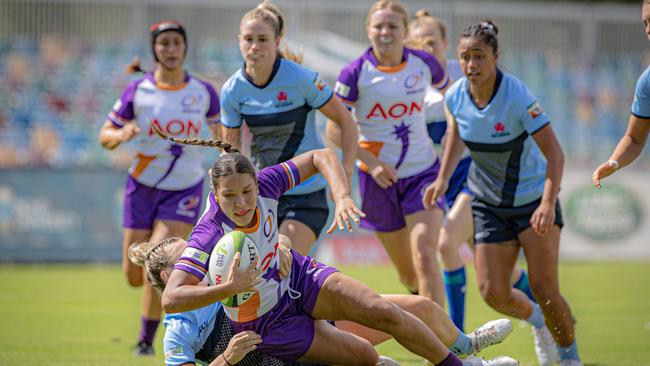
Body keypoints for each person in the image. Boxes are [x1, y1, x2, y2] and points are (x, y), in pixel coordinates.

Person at [153, 125, 517, 366]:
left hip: (299, 277)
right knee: (364, 358)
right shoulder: (208, 232)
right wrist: (230, 288)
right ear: (215, 195)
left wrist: (342, 195)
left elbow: (320, 156)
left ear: (256, 183)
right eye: (229, 196)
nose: (242, 203)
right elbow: (171, 298)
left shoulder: (267, 183)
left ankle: (465, 358)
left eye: (247, 191)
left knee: (386, 312)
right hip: (269, 321)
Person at [423, 21, 582, 366]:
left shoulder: (518, 96)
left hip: (532, 200)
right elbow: (457, 135)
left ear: (496, 56)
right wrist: (442, 179)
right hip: (488, 202)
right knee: (492, 292)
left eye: (479, 56)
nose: (471, 65)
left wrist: (547, 203)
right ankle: (539, 323)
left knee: (545, 288)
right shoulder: (455, 96)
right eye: (465, 57)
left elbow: (555, 153)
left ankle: (570, 358)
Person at [130, 235, 515, 366]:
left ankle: (469, 348)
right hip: (297, 352)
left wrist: (280, 244)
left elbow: (265, 240)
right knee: (375, 359)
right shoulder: (178, 332)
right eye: (189, 257)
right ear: (169, 277)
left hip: (309, 315)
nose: (201, 254)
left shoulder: (221, 268)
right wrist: (227, 358)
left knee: (418, 309)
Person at [406, 11, 537, 332]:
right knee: (493, 272)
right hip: (439, 184)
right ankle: (547, 309)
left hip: (473, 177)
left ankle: (456, 335)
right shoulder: (406, 84)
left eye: (431, 43)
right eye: (417, 45)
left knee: (446, 245)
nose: (425, 51)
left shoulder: (463, 78)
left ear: (445, 44)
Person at [98, 20, 221, 356]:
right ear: (155, 49)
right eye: (163, 43)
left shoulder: (203, 92)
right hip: (141, 186)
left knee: (159, 259)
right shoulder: (138, 90)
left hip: (184, 188)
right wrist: (120, 136)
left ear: (185, 48)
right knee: (134, 275)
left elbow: (225, 134)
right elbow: (105, 135)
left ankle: (146, 341)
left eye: (176, 43)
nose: (170, 49)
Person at [327, 0, 449, 308]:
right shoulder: (354, 73)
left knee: (424, 253)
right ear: (368, 30)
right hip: (377, 182)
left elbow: (453, 102)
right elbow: (333, 131)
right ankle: (426, 321)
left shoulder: (425, 64)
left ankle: (446, 347)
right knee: (409, 275)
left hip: (423, 173)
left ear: (405, 31)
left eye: (393, 26)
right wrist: (372, 163)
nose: (385, 31)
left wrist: (452, 134)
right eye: (378, 25)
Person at [219, 1, 358, 255]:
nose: (254, 46)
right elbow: (231, 153)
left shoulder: (302, 79)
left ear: (277, 41)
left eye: (262, 39)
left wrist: (345, 172)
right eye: (248, 39)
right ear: (239, 40)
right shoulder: (232, 90)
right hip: (265, 193)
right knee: (271, 275)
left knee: (283, 255)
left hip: (306, 194)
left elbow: (346, 121)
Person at [593, 1, 650, 188]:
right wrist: (614, 162)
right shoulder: (647, 81)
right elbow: (634, 138)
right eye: (645, 23)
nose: (648, 30)